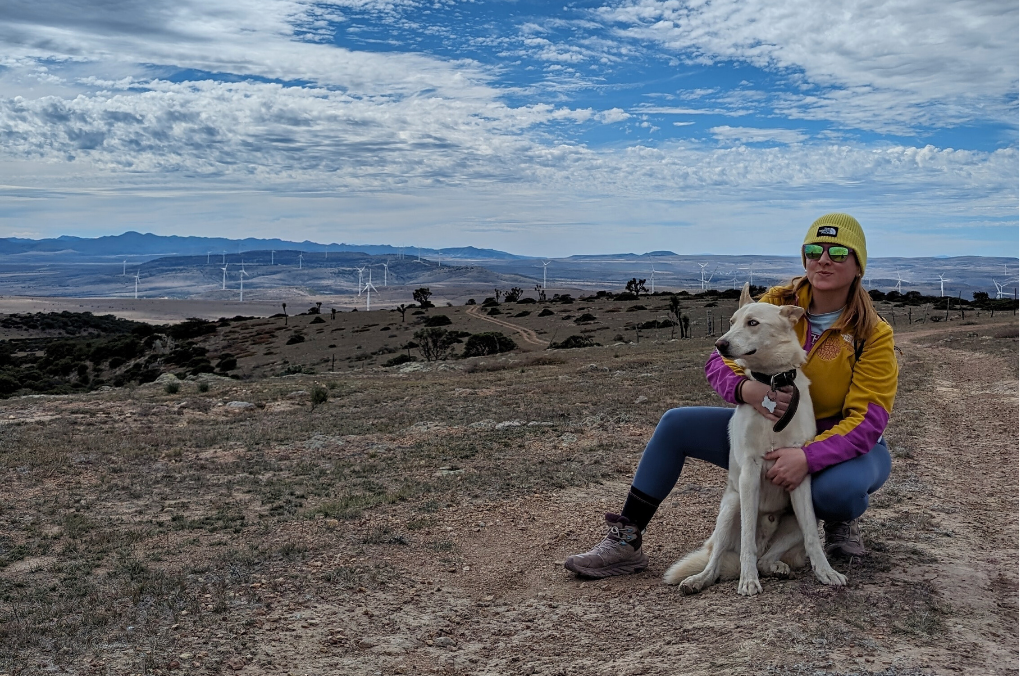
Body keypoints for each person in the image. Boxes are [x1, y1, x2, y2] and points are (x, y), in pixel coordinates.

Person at [564, 213, 898, 578]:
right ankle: (626, 540)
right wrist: (746, 389)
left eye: (838, 251)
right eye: (814, 249)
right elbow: (720, 359)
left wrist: (808, 456)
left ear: (858, 263)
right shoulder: (776, 302)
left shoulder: (872, 333)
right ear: (804, 257)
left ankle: (838, 522)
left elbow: (868, 420)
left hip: (842, 447)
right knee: (676, 424)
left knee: (839, 490)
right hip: (770, 432)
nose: (824, 259)